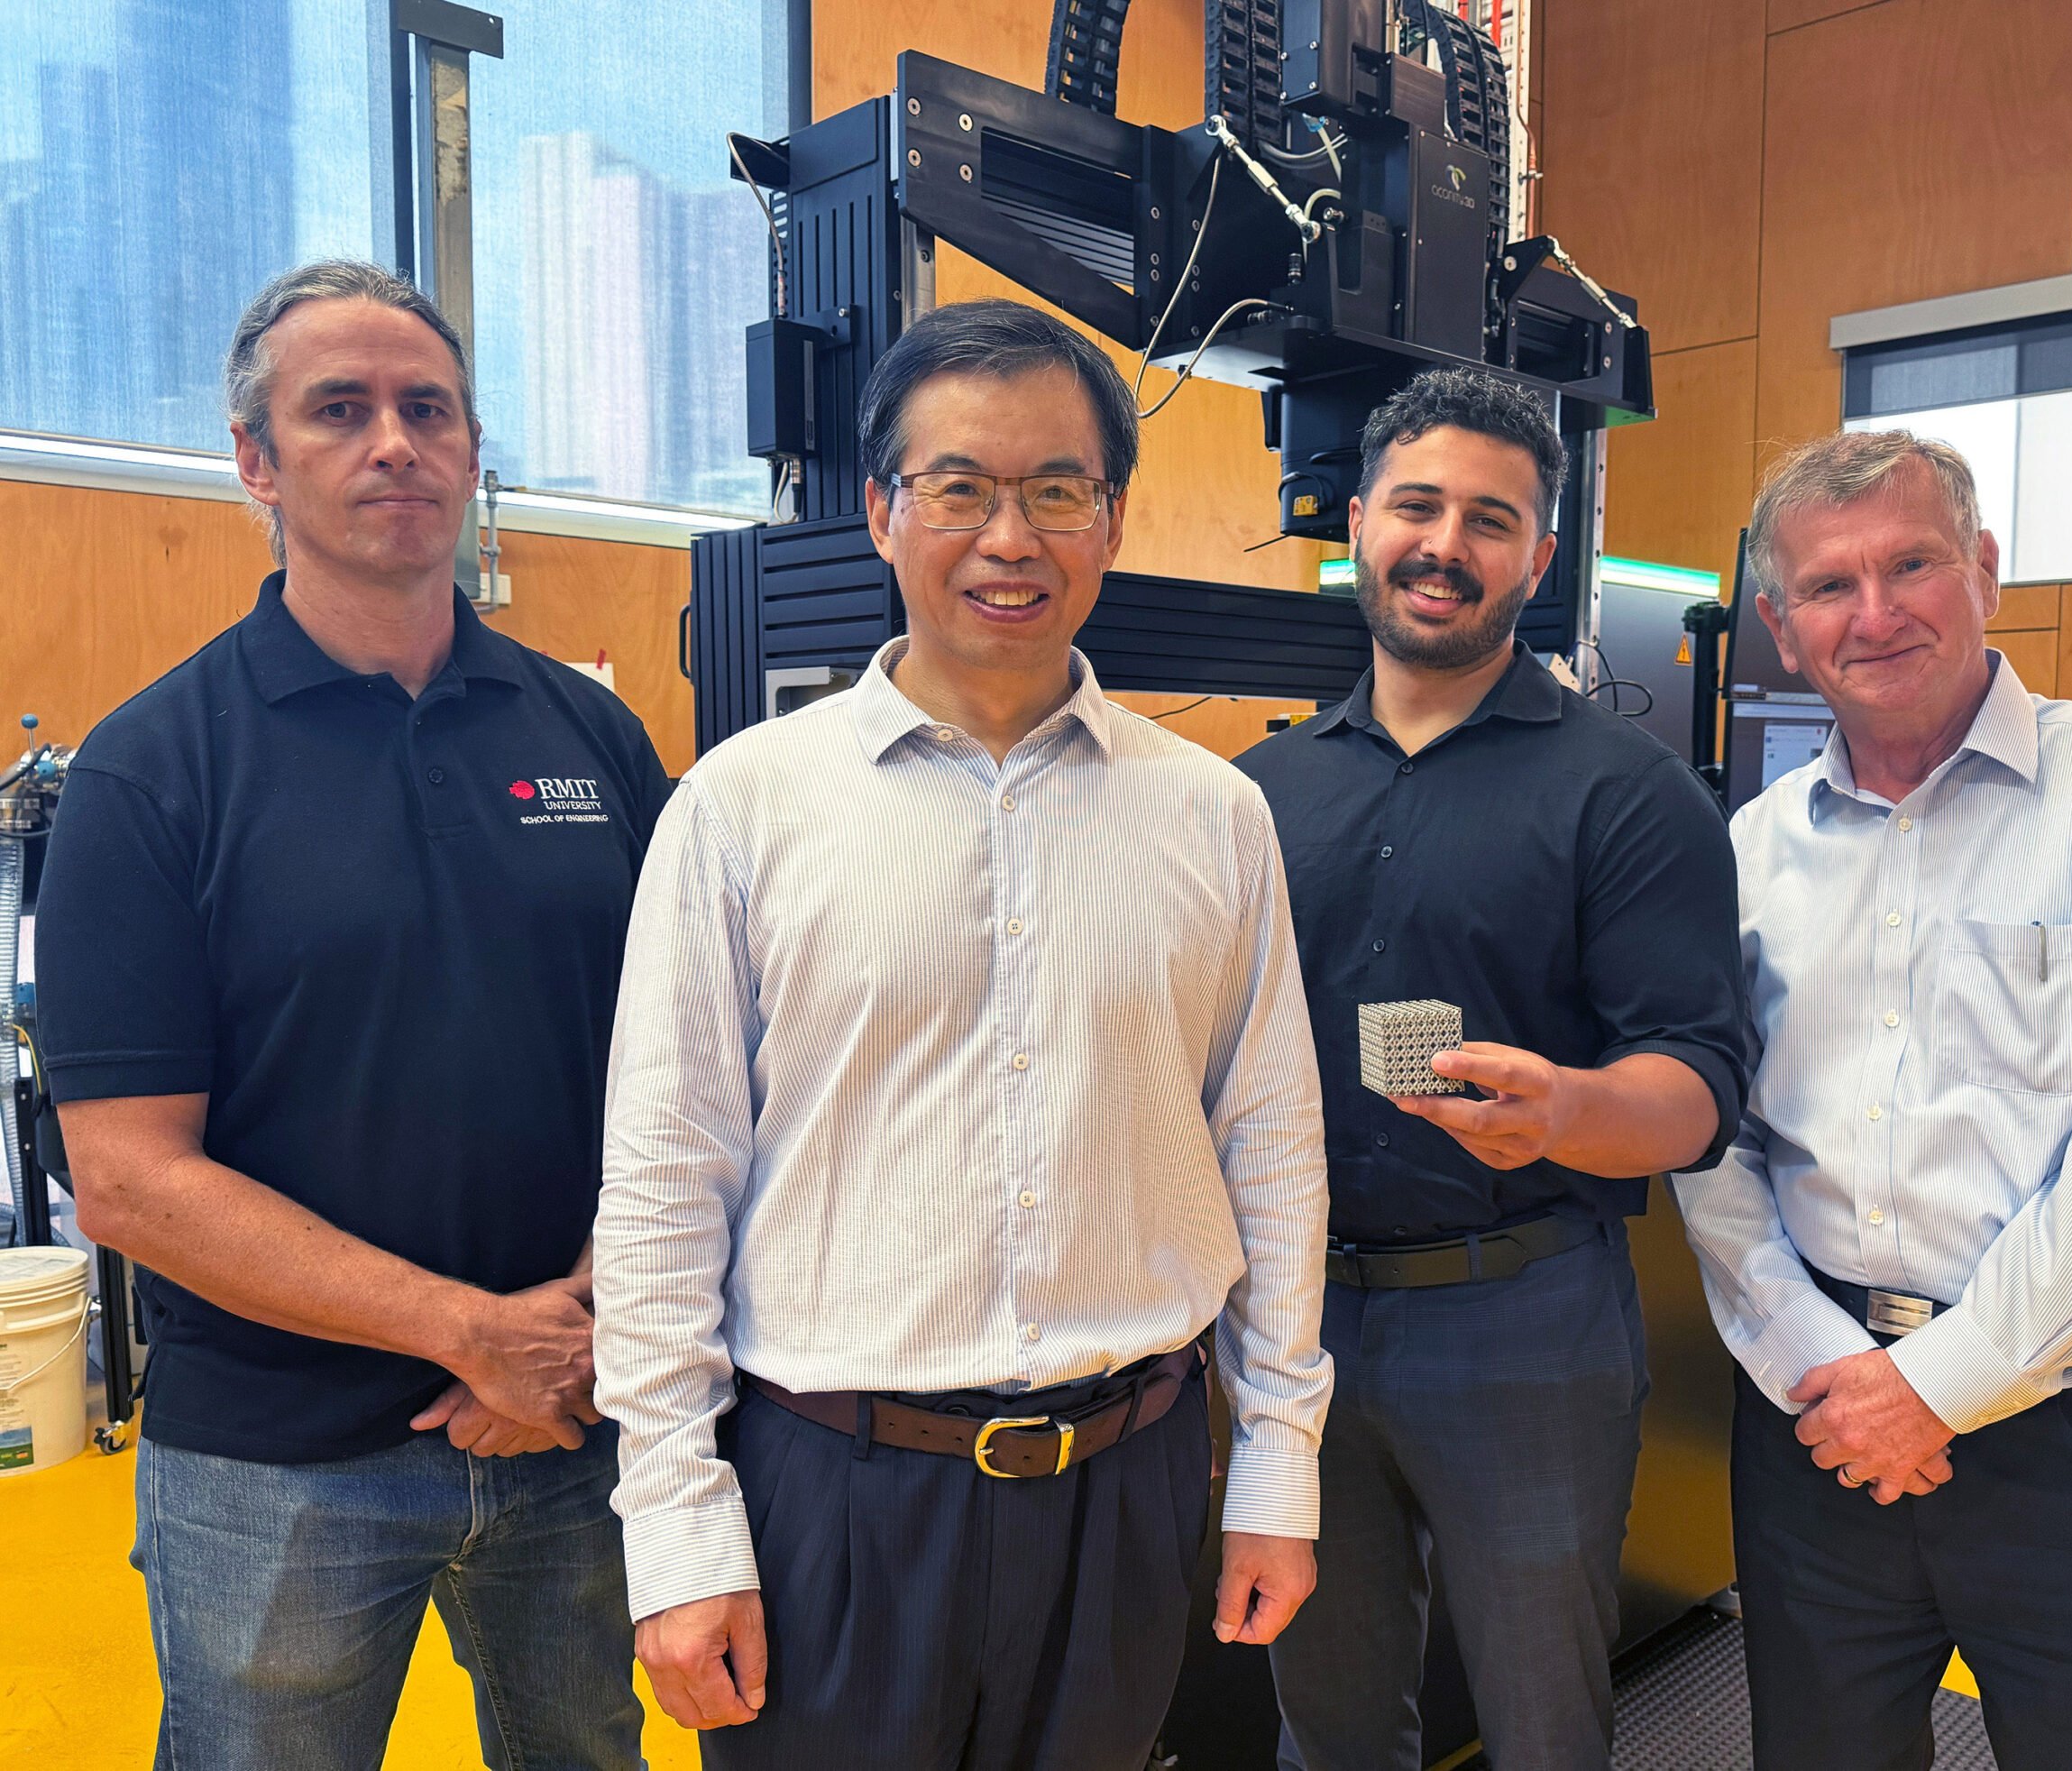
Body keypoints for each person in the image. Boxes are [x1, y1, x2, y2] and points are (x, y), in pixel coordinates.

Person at [590, 297, 1334, 1770]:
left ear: (1111, 521)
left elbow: (1273, 1152)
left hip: (1129, 1486)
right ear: (881, 511)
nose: (1013, 539)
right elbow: (667, 1184)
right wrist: (677, 1531)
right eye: (961, 489)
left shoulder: (1214, 817)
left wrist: (1276, 1471)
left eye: (1058, 492)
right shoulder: (743, 809)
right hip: (835, 1493)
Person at [37, 261, 669, 1770]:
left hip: (579, 1425)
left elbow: (688, 1070)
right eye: (339, 410)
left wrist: (576, 1329)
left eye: (427, 409)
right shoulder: (152, 773)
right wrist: (473, 1335)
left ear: (468, 454)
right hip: (276, 1462)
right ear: (256, 463)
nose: (395, 443)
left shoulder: (591, 735)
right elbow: (126, 1178)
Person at [1673, 428, 2072, 1771]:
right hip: (1816, 1416)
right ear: (1780, 621)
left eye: (1912, 564)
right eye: (1828, 586)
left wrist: (1937, 1389)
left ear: (1985, 570)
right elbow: (1718, 1137)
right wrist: (1810, 1357)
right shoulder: (1751, 852)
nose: (1873, 614)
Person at [1233, 366, 1749, 1771]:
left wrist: (1571, 1112)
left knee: (1542, 1722)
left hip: (1524, 1318)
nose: (1444, 544)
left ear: (1538, 554)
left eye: (1489, 518)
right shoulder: (1256, 798)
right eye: (1417, 505)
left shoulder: (1630, 796)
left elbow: (1702, 1086)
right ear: (1359, 520)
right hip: (1297, 1325)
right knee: (1327, 1719)